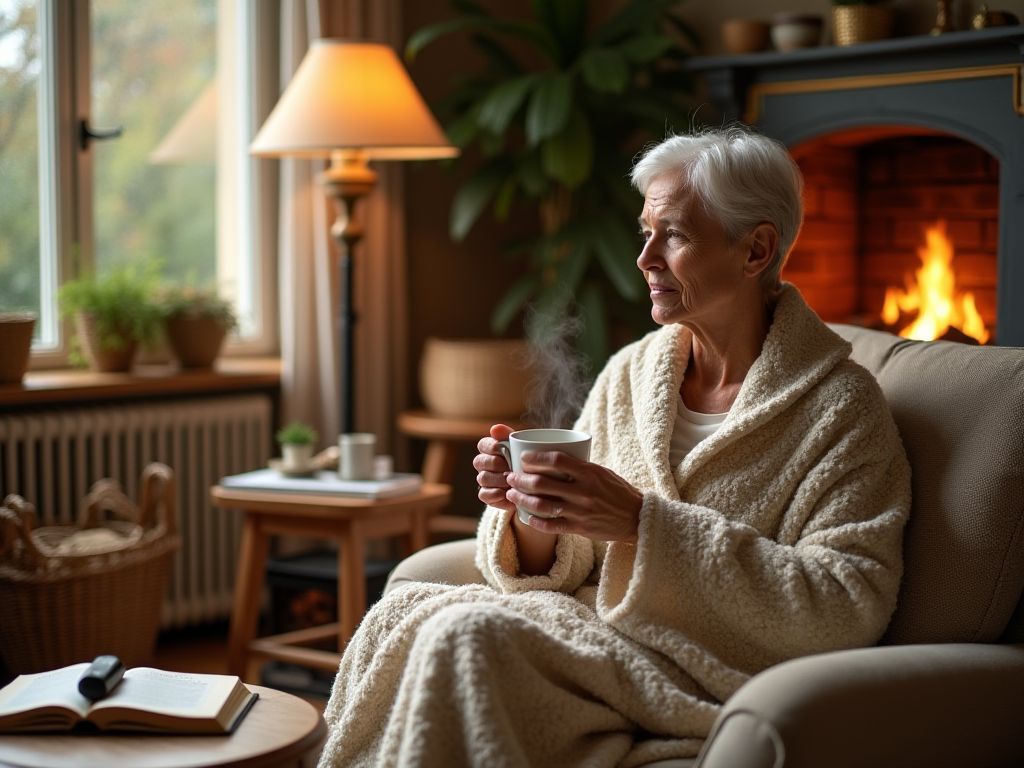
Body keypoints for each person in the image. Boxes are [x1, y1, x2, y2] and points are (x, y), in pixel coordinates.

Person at [317, 125, 911, 767]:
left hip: (699, 668)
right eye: (645, 233)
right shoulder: (634, 371)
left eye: (675, 236)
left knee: (467, 634)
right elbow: (574, 557)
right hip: (592, 638)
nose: (645, 257)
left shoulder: (839, 408)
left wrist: (641, 523)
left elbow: (848, 604)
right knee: (398, 610)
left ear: (755, 250)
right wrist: (529, 511)